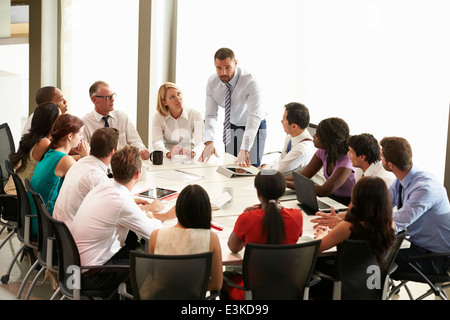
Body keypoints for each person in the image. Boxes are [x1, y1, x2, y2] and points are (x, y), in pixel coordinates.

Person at [70, 145, 176, 296]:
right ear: (137, 174)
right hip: (93, 275)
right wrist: (164, 216)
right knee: (156, 273)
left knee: (134, 243)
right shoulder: (123, 203)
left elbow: (120, 205)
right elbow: (156, 236)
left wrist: (142, 209)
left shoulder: (104, 186)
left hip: (76, 267)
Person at [312, 176, 396, 299]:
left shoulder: (348, 227)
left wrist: (321, 235)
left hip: (340, 287)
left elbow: (314, 250)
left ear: (358, 199)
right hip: (372, 285)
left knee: (312, 269)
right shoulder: (390, 226)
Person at [224, 170, 303, 299]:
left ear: (258, 193)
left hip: (254, 291)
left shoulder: (248, 218)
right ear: (282, 192)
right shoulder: (296, 216)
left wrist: (244, 215)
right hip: (287, 288)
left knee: (227, 275)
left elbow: (234, 247)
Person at [380, 136, 450, 276]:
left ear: (390, 165)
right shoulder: (402, 181)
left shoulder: (424, 188)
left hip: (435, 258)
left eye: (381, 157)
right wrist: (342, 220)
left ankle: (373, 295)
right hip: (418, 249)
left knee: (371, 262)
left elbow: (392, 225)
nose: (379, 159)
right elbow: (379, 206)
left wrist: (349, 227)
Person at [146, 184, 223, 296]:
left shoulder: (156, 236)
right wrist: (191, 287)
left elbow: (154, 278)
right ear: (206, 211)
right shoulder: (211, 238)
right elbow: (216, 285)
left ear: (177, 209)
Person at [199, 48, 266, 167]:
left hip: (253, 126)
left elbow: (253, 116)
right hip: (232, 124)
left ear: (235, 63)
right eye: (219, 68)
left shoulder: (250, 81)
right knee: (231, 168)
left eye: (227, 67)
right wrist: (209, 142)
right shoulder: (212, 83)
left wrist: (245, 148)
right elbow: (210, 115)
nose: (223, 72)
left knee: (250, 170)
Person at [28, 113, 90, 239]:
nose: (81, 138)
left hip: (36, 220)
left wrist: (83, 157)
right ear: (70, 136)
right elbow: (88, 182)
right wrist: (87, 158)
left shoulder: (50, 153)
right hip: (49, 225)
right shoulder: (65, 160)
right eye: (80, 134)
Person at [286, 117, 356, 206]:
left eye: (317, 134)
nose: (313, 136)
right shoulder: (323, 151)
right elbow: (303, 176)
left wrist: (285, 183)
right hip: (331, 198)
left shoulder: (347, 160)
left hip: (348, 203)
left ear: (327, 140)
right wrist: (277, 178)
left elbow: (324, 190)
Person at [81, 80, 150, 160]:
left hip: (123, 164)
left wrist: (142, 150)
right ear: (94, 100)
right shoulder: (85, 123)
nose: (112, 100)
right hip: (99, 166)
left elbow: (135, 141)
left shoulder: (122, 117)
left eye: (113, 95)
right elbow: (85, 152)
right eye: (108, 97)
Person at [5, 103, 60, 195]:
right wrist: (84, 155)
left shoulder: (32, 138)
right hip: (19, 198)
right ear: (51, 122)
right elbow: (61, 159)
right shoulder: (44, 143)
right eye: (60, 118)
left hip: (12, 194)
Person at [259, 102, 315, 174]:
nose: (281, 121)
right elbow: (282, 160)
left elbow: (280, 170)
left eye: (284, 119)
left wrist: (264, 168)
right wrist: (265, 166)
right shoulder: (290, 137)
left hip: (288, 182)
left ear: (294, 126)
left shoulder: (302, 149)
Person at [152, 82, 203, 159]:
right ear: (164, 102)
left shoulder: (195, 115)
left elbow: (200, 142)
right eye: (172, 97)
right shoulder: (158, 117)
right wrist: (168, 153)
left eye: (178, 94)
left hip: (190, 158)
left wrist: (193, 152)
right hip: (168, 158)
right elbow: (157, 142)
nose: (177, 99)